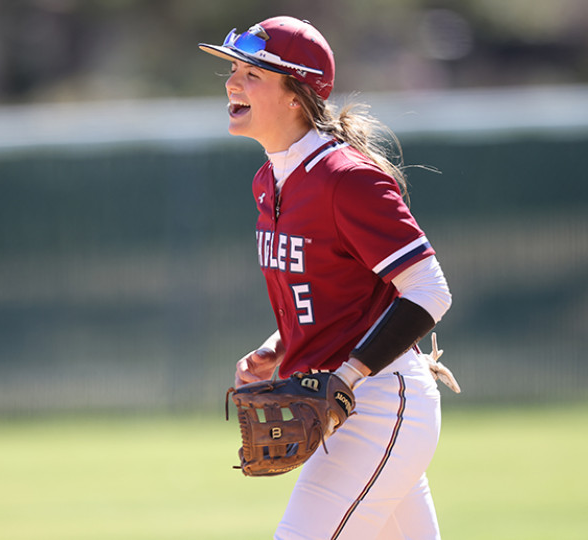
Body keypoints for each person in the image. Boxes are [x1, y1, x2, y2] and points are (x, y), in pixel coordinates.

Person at [199, 16, 454, 540]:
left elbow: (429, 290)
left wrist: (347, 376)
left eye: (253, 73)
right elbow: (331, 291)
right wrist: (281, 344)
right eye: (234, 69)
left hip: (378, 400)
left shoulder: (346, 178)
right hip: (352, 404)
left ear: (297, 95)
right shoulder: (270, 179)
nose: (232, 81)